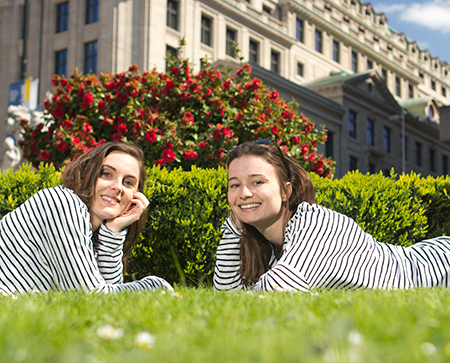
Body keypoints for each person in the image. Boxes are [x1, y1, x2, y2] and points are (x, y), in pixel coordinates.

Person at [214, 139, 450, 292]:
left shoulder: (317, 225)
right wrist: (235, 225)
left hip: (439, 266)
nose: (244, 193)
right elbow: (226, 298)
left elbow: (275, 292)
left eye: (257, 181)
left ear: (285, 191)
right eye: (234, 185)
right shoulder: (273, 250)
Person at [0, 142, 173, 295]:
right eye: (106, 174)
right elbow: (90, 295)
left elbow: (107, 304)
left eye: (128, 182)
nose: (117, 187)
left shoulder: (92, 232)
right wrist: (154, 285)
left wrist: (113, 230)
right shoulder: (61, 202)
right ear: (86, 174)